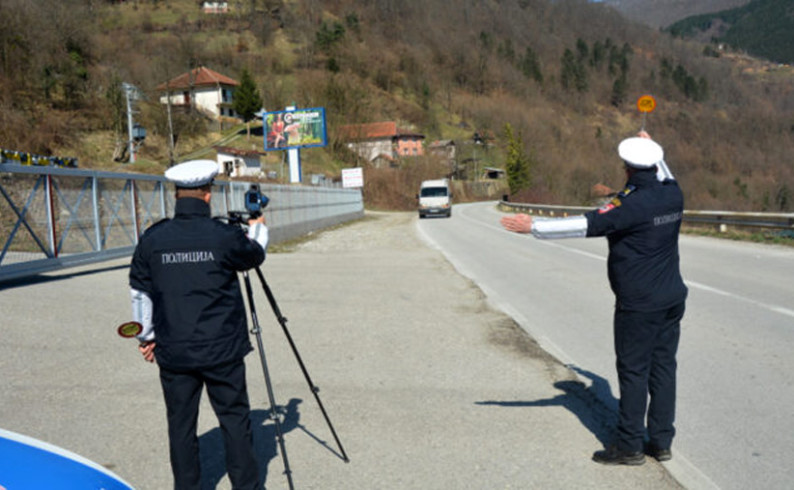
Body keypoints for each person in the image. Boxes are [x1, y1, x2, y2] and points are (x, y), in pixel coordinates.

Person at [500, 131, 687, 466]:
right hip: (671, 298)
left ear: (627, 168)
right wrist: (653, 149)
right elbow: (666, 172)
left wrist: (534, 227)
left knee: (633, 372)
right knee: (664, 369)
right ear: (654, 165)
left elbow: (585, 224)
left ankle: (629, 446)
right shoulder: (673, 194)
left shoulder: (629, 206)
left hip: (639, 304)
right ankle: (660, 442)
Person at [128, 159, 270, 489]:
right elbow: (254, 255)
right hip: (222, 350)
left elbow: (139, 291)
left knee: (180, 426)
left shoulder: (153, 238)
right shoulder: (224, 235)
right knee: (235, 421)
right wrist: (259, 226)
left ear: (177, 194)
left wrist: (145, 337)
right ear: (207, 194)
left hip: (174, 350)